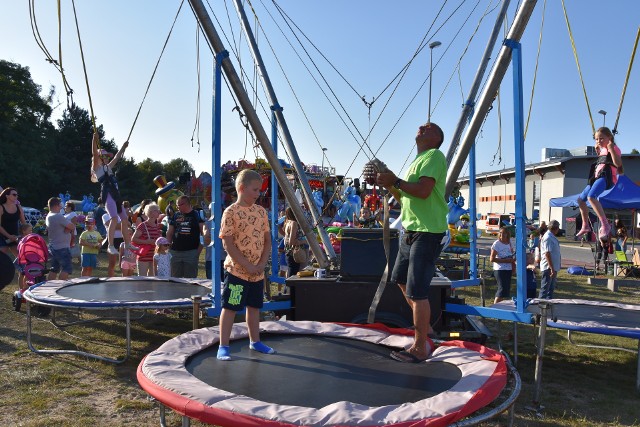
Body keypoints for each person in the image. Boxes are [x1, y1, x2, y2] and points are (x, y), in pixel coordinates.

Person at [376, 122, 448, 363]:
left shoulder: (434, 155)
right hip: (411, 231)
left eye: (428, 128)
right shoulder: (417, 162)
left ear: (437, 138)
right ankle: (425, 329)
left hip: (427, 232)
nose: (420, 127)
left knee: (417, 292)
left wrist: (395, 181)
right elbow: (405, 197)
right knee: (400, 281)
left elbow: (424, 191)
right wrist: (390, 184)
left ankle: (420, 347)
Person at [217, 169, 274, 361]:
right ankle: (223, 345)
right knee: (231, 307)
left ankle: (255, 340)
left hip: (257, 272)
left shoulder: (260, 212)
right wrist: (246, 265)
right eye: (255, 190)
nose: (258, 194)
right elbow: (228, 243)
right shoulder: (230, 212)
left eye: (260, 191)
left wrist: (261, 264)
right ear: (242, 188)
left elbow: (267, 240)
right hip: (237, 272)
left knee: (254, 307)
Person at [91, 131, 136, 255]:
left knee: (125, 219)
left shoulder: (108, 167)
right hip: (108, 196)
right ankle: (110, 245)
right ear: (100, 159)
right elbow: (94, 154)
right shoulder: (97, 168)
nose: (107, 158)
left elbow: (117, 157)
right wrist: (94, 140)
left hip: (116, 196)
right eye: (104, 157)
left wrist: (123, 147)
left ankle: (127, 243)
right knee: (114, 218)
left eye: (106, 157)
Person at [575, 127, 623, 241]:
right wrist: (598, 152)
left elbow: (618, 164)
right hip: (597, 176)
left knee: (591, 197)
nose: (598, 141)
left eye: (601, 138)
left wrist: (611, 148)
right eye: (596, 139)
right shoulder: (602, 150)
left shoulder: (614, 148)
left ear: (609, 138)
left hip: (607, 177)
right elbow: (602, 162)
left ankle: (605, 224)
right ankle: (585, 225)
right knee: (580, 200)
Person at [166, 195, 208, 278]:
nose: (177, 207)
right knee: (175, 279)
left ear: (186, 204)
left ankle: (190, 292)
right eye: (177, 205)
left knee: (190, 280)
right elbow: (170, 232)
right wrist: (168, 246)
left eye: (179, 205)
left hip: (191, 252)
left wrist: (198, 251)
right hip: (175, 252)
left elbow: (204, 232)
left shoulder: (197, 215)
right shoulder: (175, 215)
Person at [46, 197, 75, 280]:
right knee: (66, 268)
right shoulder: (57, 216)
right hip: (62, 247)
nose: (61, 207)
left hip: (54, 246)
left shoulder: (49, 215)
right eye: (60, 205)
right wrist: (68, 228)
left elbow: (68, 227)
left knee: (54, 269)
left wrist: (67, 228)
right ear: (56, 205)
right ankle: (61, 286)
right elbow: (72, 226)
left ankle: (49, 286)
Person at [132, 203, 162, 276]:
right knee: (142, 280)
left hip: (154, 257)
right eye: (156, 210)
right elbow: (133, 239)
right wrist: (147, 242)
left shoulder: (157, 226)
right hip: (143, 257)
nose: (159, 212)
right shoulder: (143, 225)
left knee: (153, 280)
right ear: (150, 212)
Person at [490, 226, 515, 304]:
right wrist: (505, 260)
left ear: (507, 234)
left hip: (508, 269)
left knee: (506, 290)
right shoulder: (497, 243)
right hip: (500, 269)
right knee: (501, 288)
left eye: (504, 233)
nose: (502, 234)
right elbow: (492, 259)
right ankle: (495, 307)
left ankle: (500, 306)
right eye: (501, 233)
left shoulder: (510, 243)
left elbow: (512, 255)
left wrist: (513, 266)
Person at [0, 187, 26, 257]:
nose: (16, 196)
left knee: (21, 257)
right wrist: (8, 236)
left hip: (15, 236)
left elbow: (24, 223)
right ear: (7, 196)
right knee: (2, 257)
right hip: (2, 236)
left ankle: (20, 268)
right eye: (14, 195)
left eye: (17, 195)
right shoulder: (1, 207)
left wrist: (27, 233)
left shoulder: (18, 207)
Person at [540, 219, 562, 299]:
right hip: (548, 267)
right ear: (555, 228)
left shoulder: (552, 237)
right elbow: (547, 253)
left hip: (553, 267)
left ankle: (548, 305)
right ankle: (541, 304)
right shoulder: (548, 237)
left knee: (551, 289)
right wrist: (551, 268)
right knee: (545, 288)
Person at [283, 206, 307, 277]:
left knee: (290, 272)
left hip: (288, 252)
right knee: (293, 275)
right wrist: (304, 242)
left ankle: (287, 288)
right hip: (293, 253)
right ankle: (289, 288)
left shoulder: (287, 222)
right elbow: (292, 241)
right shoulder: (294, 223)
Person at [102, 212, 124, 277]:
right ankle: (111, 279)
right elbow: (109, 224)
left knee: (124, 262)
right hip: (112, 240)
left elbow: (127, 224)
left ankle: (125, 278)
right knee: (112, 263)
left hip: (122, 240)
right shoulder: (105, 215)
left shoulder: (121, 214)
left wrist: (116, 225)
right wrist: (120, 225)